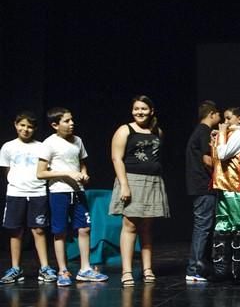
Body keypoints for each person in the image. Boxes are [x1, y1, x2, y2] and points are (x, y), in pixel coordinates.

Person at [37, 107, 108, 286]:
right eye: (66, 121)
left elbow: (82, 165)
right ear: (55, 125)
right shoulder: (48, 144)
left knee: (84, 229)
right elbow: (41, 173)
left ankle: (85, 269)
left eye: (72, 120)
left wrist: (84, 174)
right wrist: (68, 173)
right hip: (59, 192)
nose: (71, 123)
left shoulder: (78, 141)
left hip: (78, 192)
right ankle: (63, 270)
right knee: (60, 231)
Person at [110, 95, 170, 287]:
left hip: (153, 181)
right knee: (130, 226)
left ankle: (147, 268)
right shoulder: (124, 130)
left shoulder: (157, 131)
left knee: (146, 227)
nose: (139, 112)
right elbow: (116, 158)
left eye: (143, 109)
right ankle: (126, 271)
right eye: (136, 108)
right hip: (131, 180)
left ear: (151, 111)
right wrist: (124, 184)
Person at [0, 111, 57, 284]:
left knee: (39, 230)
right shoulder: (8, 147)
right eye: (22, 125)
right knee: (16, 231)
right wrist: (17, 183)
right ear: (16, 125)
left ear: (35, 129)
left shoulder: (42, 147)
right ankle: (16, 268)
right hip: (16, 193)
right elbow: (7, 171)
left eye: (30, 126)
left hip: (37, 193)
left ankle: (45, 267)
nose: (25, 129)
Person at [211, 107, 240, 285]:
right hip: (225, 186)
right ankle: (221, 270)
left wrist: (221, 134)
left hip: (236, 187)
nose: (225, 122)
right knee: (223, 225)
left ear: (239, 119)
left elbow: (222, 154)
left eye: (229, 119)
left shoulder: (239, 135)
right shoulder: (229, 134)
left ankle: (238, 272)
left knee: (237, 227)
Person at [185, 100, 221, 282]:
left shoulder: (199, 132)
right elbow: (208, 160)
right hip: (203, 186)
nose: (220, 118)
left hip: (198, 186)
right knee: (203, 227)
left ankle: (201, 266)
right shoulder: (204, 132)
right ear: (212, 114)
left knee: (204, 226)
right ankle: (194, 269)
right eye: (218, 114)